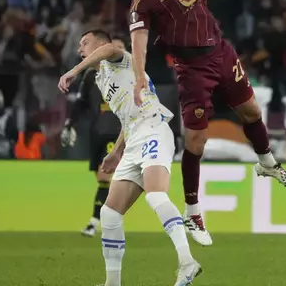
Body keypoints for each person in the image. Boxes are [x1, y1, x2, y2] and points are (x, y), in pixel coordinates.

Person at [128, 0, 286, 246]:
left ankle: (267, 164)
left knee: (252, 111)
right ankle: (192, 212)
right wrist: (139, 75)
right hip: (192, 70)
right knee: (196, 141)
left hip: (222, 53)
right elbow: (138, 39)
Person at [58, 30, 201, 286]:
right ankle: (112, 283)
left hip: (153, 128)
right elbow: (127, 117)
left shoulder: (120, 58)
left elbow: (107, 50)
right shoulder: (102, 78)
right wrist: (116, 152)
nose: (80, 49)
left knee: (156, 194)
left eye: (85, 43)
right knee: (110, 214)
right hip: (133, 138)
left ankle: (187, 262)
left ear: (101, 44)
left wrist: (73, 71)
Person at [61, 37, 126, 238]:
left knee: (105, 177)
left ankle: (97, 221)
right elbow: (80, 103)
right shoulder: (93, 75)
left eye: (120, 48)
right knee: (102, 181)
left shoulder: (128, 75)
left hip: (116, 133)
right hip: (96, 132)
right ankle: (107, 218)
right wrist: (69, 124)